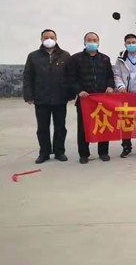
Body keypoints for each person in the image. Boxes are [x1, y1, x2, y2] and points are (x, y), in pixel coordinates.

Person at [23, 29, 72, 164]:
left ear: (56, 39)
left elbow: (70, 76)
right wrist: (29, 95)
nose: (49, 40)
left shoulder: (65, 56)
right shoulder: (33, 56)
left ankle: (59, 151)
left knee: (60, 127)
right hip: (41, 98)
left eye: (51, 37)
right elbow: (28, 77)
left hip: (60, 97)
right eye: (46, 37)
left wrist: (70, 93)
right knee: (42, 128)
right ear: (41, 40)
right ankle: (44, 153)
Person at [68, 32, 115, 164]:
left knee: (103, 125)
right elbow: (71, 78)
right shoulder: (76, 58)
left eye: (94, 40)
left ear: (98, 42)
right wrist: (79, 91)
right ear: (84, 42)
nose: (92, 42)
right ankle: (84, 154)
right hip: (85, 100)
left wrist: (110, 87)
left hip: (102, 99)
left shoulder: (104, 59)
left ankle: (103, 152)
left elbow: (110, 77)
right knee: (84, 127)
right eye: (89, 40)